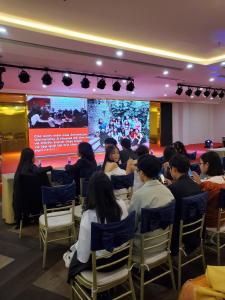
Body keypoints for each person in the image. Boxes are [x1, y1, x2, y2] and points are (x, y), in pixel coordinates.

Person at [67, 172, 128, 280]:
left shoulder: (89, 216)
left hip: (101, 265)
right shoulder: (122, 204)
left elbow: (83, 258)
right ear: (110, 188)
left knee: (74, 257)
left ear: (91, 191)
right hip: (123, 257)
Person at [128, 154, 174, 257]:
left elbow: (131, 225)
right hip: (164, 243)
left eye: (138, 171)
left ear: (142, 173)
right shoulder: (168, 191)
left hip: (142, 249)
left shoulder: (139, 195)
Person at [167, 154, 202, 256]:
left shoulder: (173, 189)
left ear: (174, 169)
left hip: (179, 233)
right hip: (196, 229)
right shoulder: (196, 186)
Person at [13, 148, 52, 228]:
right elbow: (39, 171)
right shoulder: (31, 167)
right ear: (31, 157)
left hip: (23, 203)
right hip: (36, 201)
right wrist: (50, 167)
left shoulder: (20, 169)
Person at [192, 151, 225, 227]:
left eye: (200, 163)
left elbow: (201, 203)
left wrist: (200, 185)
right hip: (222, 219)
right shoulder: (223, 178)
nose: (199, 166)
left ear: (207, 165)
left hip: (211, 221)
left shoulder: (208, 185)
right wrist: (200, 183)